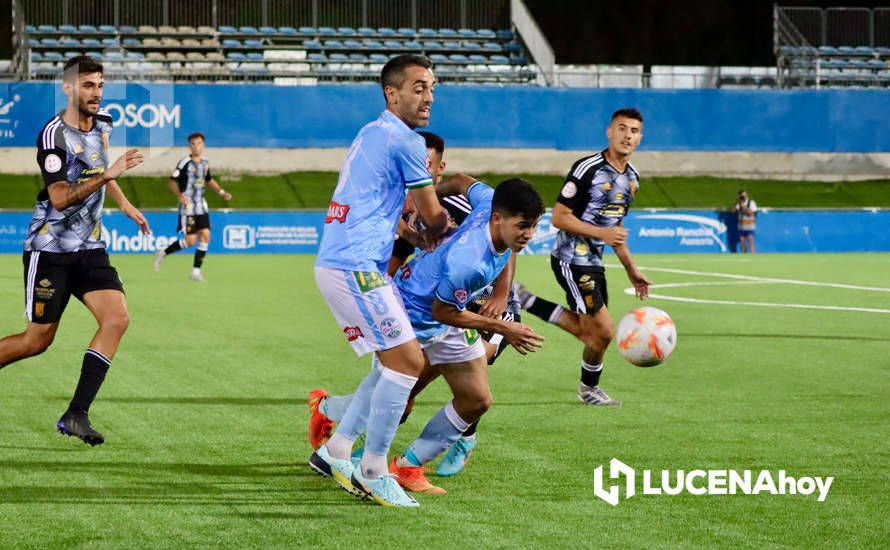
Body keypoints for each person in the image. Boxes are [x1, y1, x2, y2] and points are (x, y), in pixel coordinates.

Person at [308, 131, 522, 479]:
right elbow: (396, 261)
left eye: (427, 164)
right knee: (400, 385)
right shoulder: (395, 204)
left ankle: (439, 444)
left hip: (481, 301)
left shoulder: (453, 204)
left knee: (460, 373)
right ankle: (349, 439)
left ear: (439, 167)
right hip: (426, 306)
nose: (417, 170)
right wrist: (384, 304)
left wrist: (500, 295)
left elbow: (506, 236)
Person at [309, 54, 451, 508]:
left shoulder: (371, 133)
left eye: (431, 87)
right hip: (356, 268)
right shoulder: (407, 141)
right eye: (417, 87)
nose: (428, 96)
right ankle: (374, 470)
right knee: (408, 362)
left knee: (392, 361)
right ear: (392, 93)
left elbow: (372, 205)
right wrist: (475, 215)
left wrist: (409, 233)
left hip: (349, 262)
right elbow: (435, 215)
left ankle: (336, 449)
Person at [0, 55, 147, 445]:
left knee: (117, 318)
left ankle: (76, 414)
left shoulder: (103, 124)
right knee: (37, 341)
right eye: (88, 86)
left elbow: (100, 168)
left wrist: (126, 204)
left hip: (91, 248)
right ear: (68, 88)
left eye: (99, 85)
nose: (96, 93)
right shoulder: (53, 137)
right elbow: (61, 198)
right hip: (50, 248)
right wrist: (108, 174)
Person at [386, 175, 544, 495]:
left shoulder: (490, 204)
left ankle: (406, 466)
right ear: (498, 220)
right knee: (397, 394)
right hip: (415, 313)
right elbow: (442, 312)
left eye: (534, 226)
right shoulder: (469, 263)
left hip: (448, 311)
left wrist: (423, 197)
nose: (529, 235)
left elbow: (458, 180)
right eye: (523, 226)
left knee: (476, 400)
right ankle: (334, 430)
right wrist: (505, 327)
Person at [513, 108, 652, 407]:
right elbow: (560, 217)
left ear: (641, 138)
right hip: (570, 259)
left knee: (596, 334)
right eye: (622, 129)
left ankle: (524, 300)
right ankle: (589, 390)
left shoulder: (632, 179)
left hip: (594, 262)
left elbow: (616, 229)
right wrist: (601, 234)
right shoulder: (587, 168)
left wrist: (632, 269)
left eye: (634, 131)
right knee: (602, 331)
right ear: (609, 132)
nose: (627, 136)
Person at [153, 132, 231, 281]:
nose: (196, 146)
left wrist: (222, 192)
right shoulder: (184, 162)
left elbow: (210, 180)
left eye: (199, 143)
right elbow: (171, 182)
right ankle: (164, 252)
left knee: (206, 235)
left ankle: (195, 272)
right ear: (189, 146)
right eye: (193, 144)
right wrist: (180, 196)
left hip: (201, 206)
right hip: (188, 207)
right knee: (190, 241)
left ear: (203, 145)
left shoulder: (205, 163)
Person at [732, 189, 757, 253]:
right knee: (742, 241)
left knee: (750, 240)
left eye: (745, 195)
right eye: (742, 196)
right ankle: (744, 255)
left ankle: (752, 255)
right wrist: (737, 202)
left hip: (750, 225)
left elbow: (751, 213)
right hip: (741, 226)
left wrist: (744, 206)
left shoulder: (751, 202)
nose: (743, 197)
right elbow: (733, 210)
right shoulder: (739, 203)